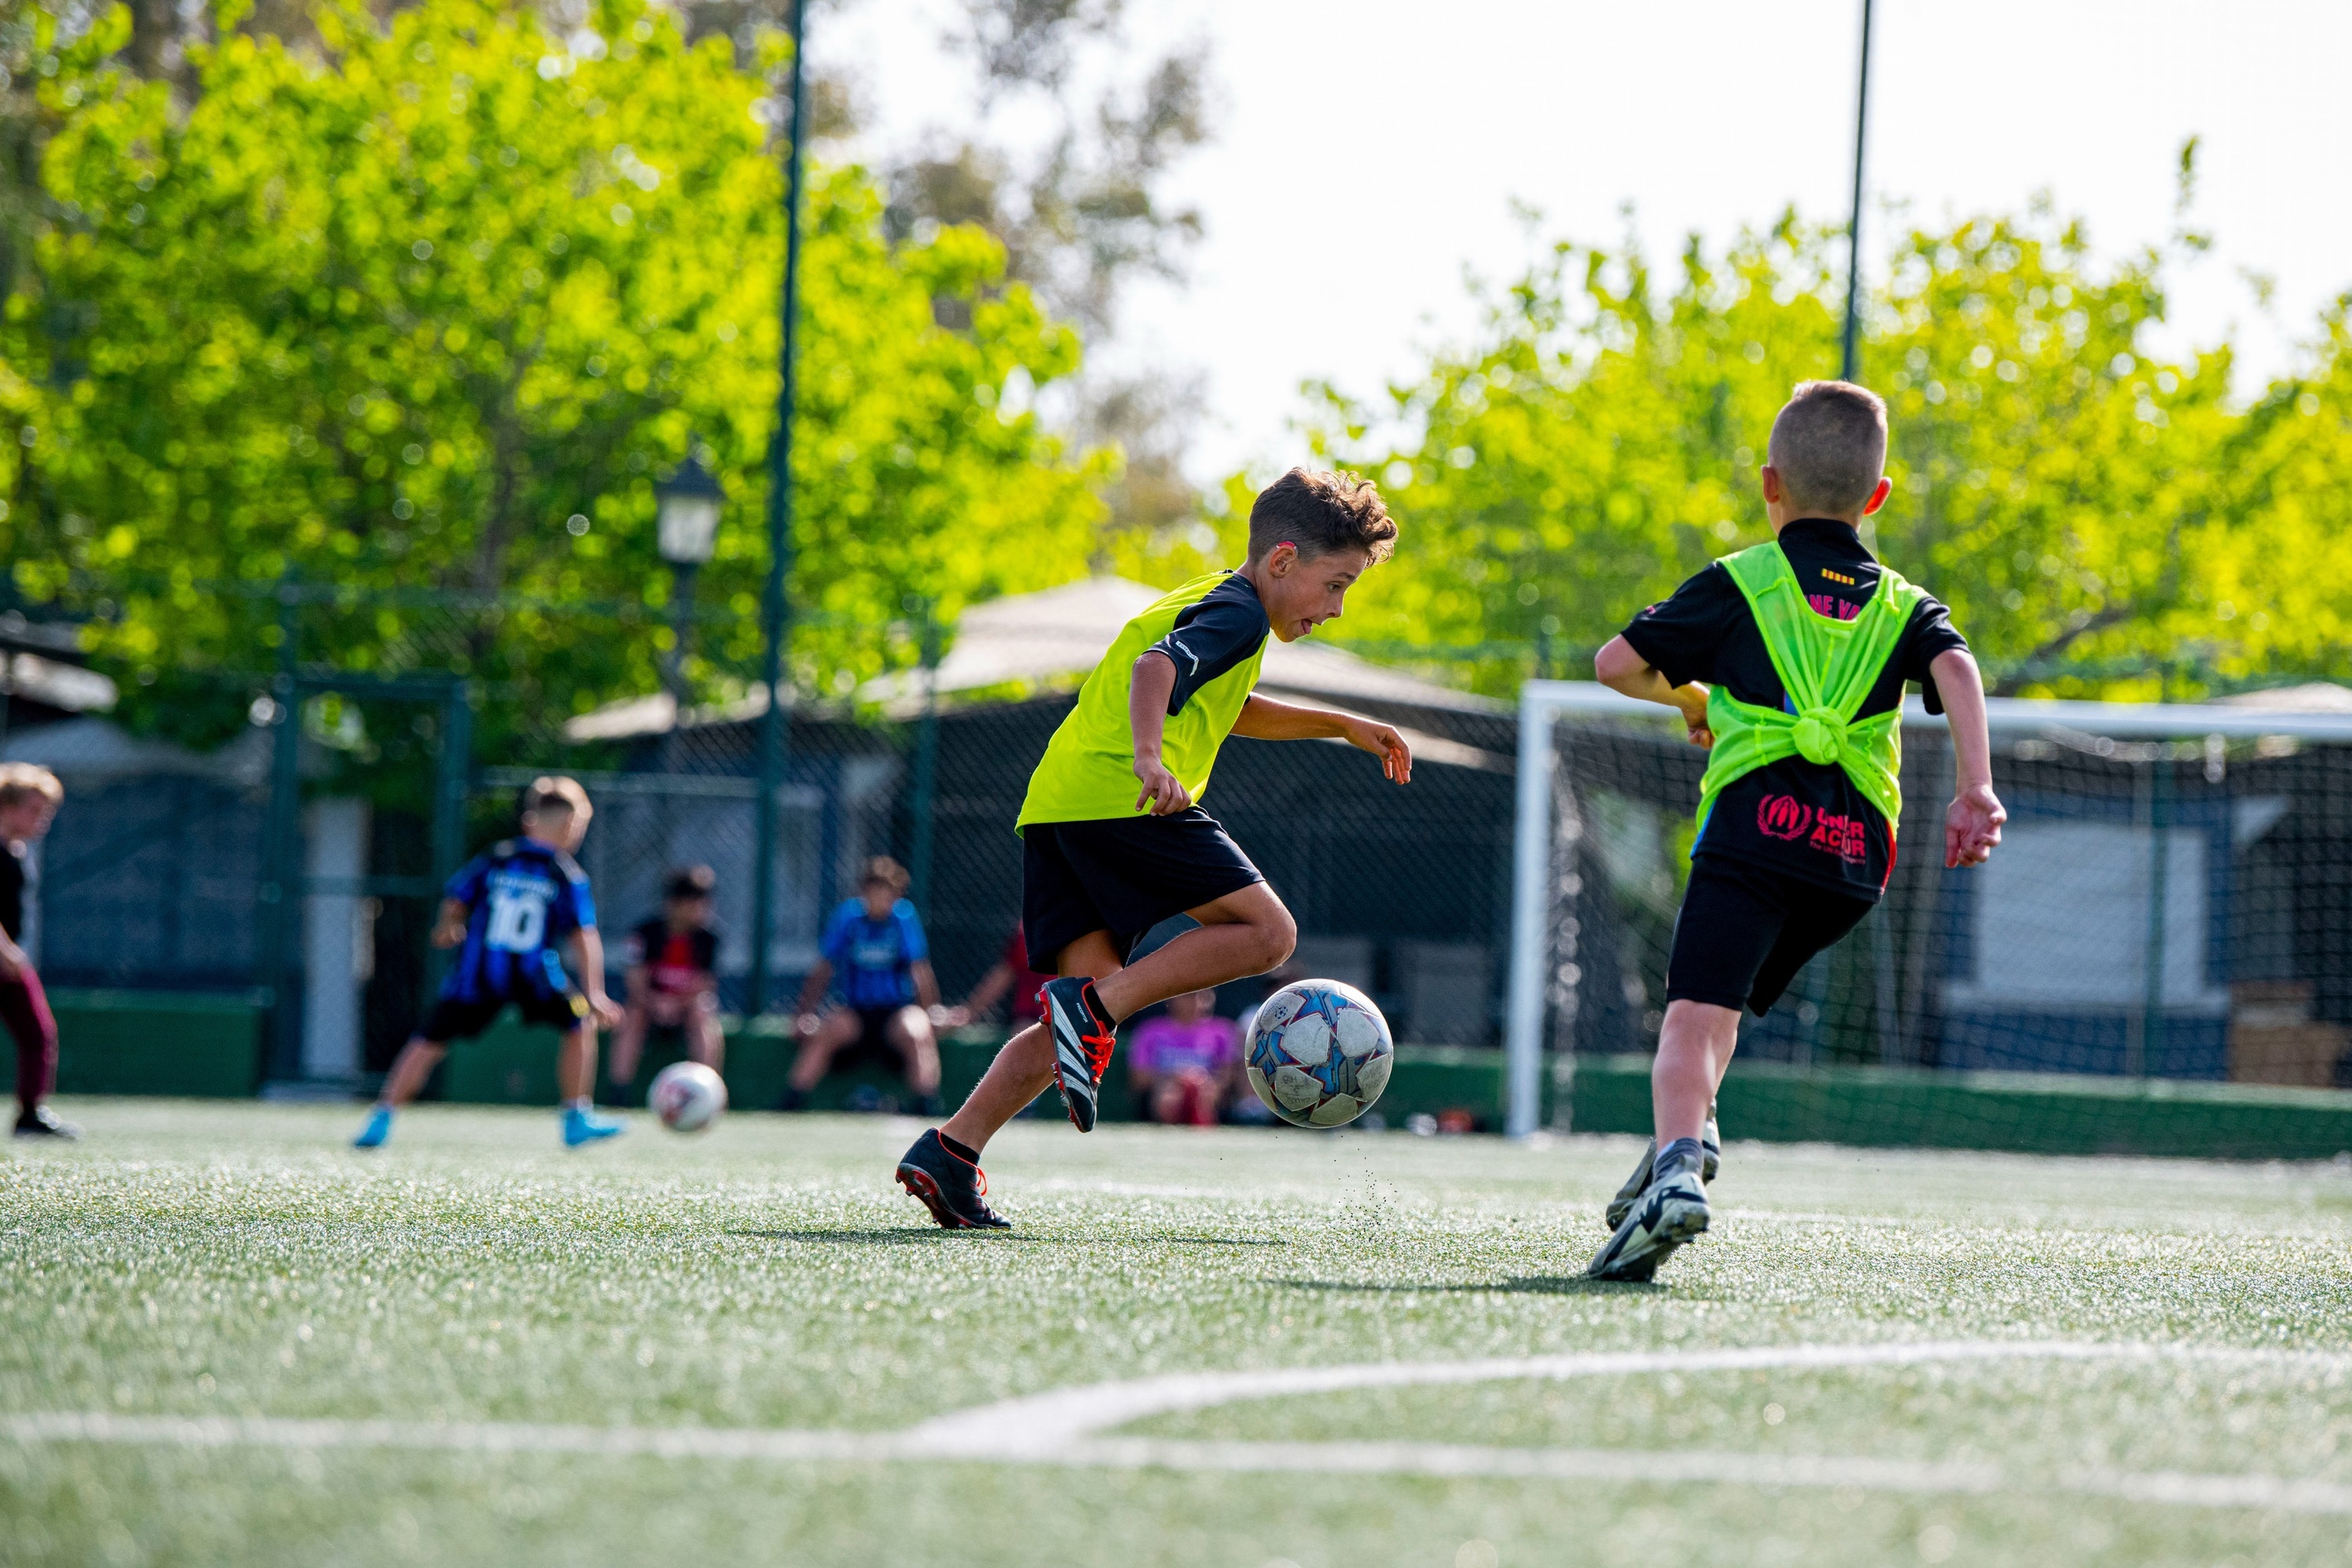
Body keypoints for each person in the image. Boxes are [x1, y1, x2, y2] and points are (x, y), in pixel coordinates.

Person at [893, 466, 1414, 1229]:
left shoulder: (1217, 599)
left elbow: (1227, 705)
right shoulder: (1238, 611)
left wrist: (1339, 723)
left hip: (1061, 807)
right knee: (1269, 933)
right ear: (1282, 560)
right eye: (1335, 584)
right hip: (1121, 794)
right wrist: (1149, 758)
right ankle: (1092, 1006)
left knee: (1069, 1028)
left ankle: (952, 1148)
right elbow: (1155, 670)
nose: (1336, 607)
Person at [1585, 379, 2005, 1281]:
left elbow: (1615, 663)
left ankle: (1674, 1172)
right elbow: (1960, 669)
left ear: (1769, 483)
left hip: (1754, 833)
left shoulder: (1742, 581)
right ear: (1878, 497)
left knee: (1689, 1018)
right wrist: (1976, 788)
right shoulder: (1902, 601)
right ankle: (1688, 1135)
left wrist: (1695, 695)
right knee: (1723, 1005)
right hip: (1851, 864)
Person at [354, 777, 626, 1150]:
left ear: (529, 822)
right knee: (579, 1021)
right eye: (575, 826)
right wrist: (594, 991)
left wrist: (448, 927)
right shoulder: (566, 874)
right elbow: (584, 936)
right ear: (570, 827)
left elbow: (455, 898)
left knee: (429, 1041)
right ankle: (576, 1116)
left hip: (477, 977)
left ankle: (382, 1117)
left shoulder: (496, 858)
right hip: (536, 976)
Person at [783, 857, 946, 1116]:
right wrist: (804, 1013)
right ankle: (792, 1099)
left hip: (895, 1012)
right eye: (874, 891)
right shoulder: (848, 917)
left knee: (917, 1031)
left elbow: (919, 970)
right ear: (864, 891)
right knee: (828, 1031)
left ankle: (927, 1102)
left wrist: (931, 1011)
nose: (879, 898)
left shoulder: (903, 918)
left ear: (896, 894)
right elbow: (823, 969)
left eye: (886, 892)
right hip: (856, 1012)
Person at [0, 764, 73, 1139]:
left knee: (37, 1032)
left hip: (8, 961)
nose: (43, 819)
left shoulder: (17, 849)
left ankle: (30, 1114)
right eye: (36, 809)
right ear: (8, 806)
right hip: (4, 955)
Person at [608, 864, 724, 1093]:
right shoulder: (645, 932)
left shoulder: (709, 937)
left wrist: (677, 1004)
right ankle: (618, 1091)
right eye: (694, 903)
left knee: (703, 1012)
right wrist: (656, 1003)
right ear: (674, 904)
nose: (702, 910)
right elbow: (634, 980)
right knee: (632, 1016)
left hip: (686, 1008)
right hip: (649, 1005)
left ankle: (708, 1090)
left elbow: (705, 985)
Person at [1128, 989, 1242, 1126]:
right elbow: (1139, 1080)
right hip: (1164, 1090)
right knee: (1169, 1095)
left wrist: (1199, 1082)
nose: (1197, 1000)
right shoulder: (1150, 1030)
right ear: (1170, 998)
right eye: (1189, 995)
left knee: (1203, 1093)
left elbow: (1227, 1077)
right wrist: (1178, 1078)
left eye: (1203, 994)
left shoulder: (1222, 1030)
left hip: (1207, 1091)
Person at [957, 923, 1054, 1034]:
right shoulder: (1030, 930)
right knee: (1024, 1030)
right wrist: (968, 1013)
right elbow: (1005, 973)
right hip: (1032, 1021)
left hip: (1068, 1017)